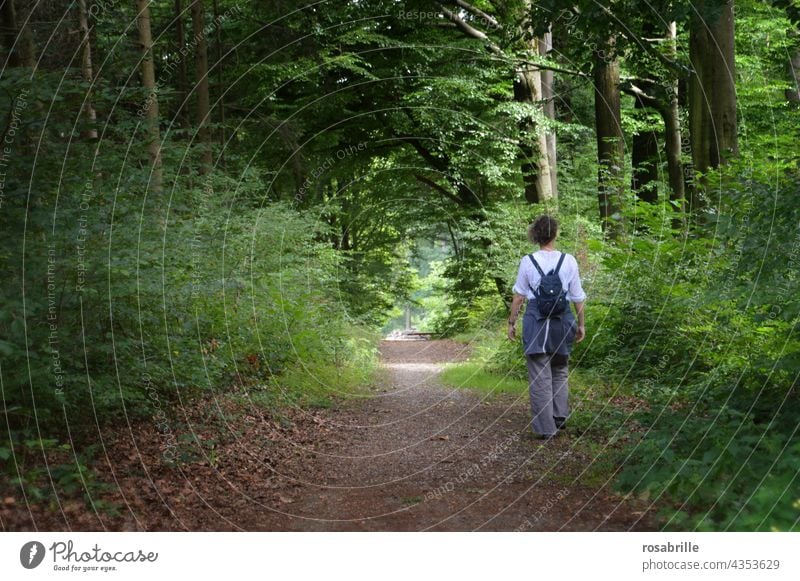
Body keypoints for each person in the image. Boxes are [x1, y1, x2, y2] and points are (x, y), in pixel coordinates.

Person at [507, 215, 586, 440]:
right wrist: (581, 325)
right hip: (563, 322)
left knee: (540, 374)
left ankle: (546, 428)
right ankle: (559, 417)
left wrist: (511, 323)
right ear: (555, 234)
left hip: (537, 322)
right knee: (560, 370)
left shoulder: (527, 261)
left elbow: (519, 297)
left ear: (536, 235)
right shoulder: (569, 260)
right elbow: (578, 297)